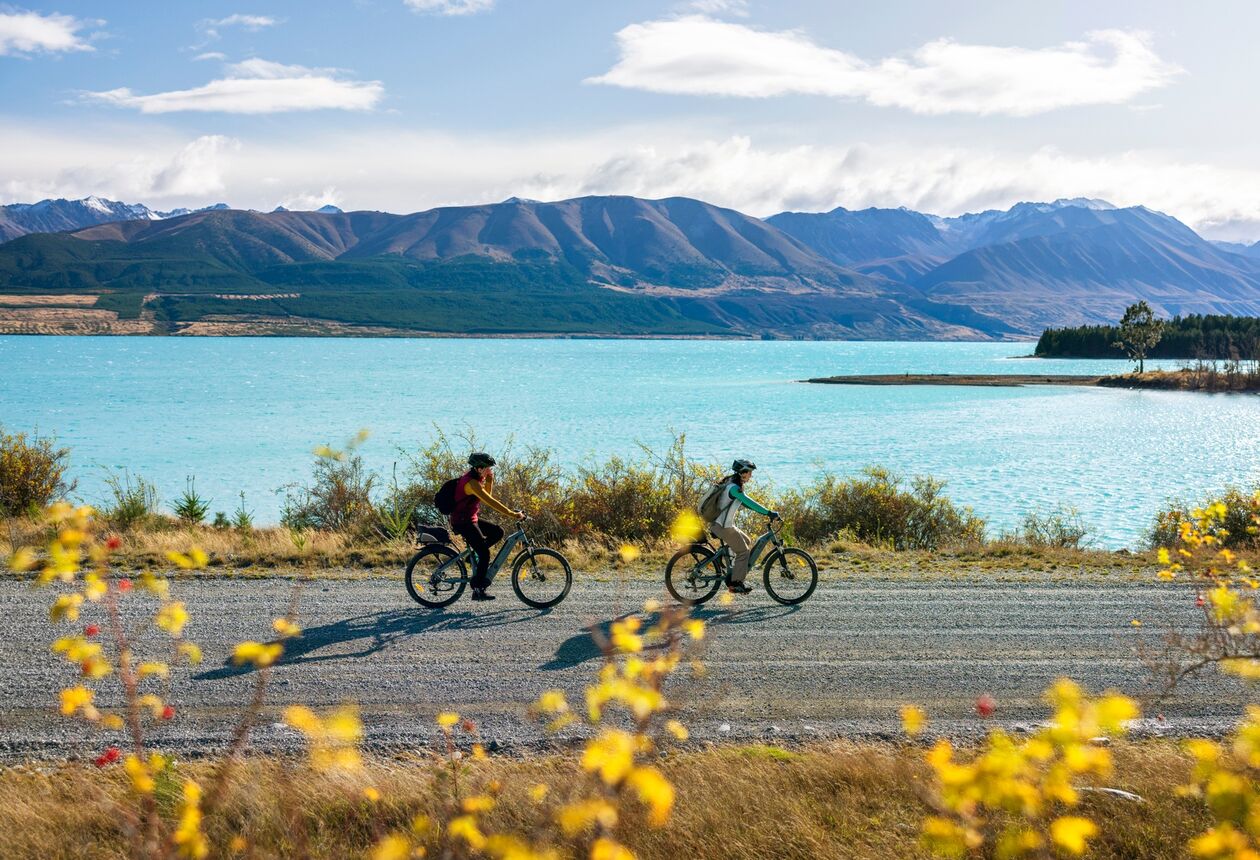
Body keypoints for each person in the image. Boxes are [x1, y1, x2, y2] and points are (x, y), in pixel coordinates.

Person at [449, 452, 525, 601]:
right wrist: (512, 514)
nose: (489, 470)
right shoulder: (471, 483)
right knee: (485, 554)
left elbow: (485, 496)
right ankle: (478, 589)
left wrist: (490, 479)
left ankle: (475, 557)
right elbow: (490, 502)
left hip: (470, 518)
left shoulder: (476, 479)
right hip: (463, 521)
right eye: (487, 468)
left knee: (497, 532)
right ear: (478, 468)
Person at [707, 459, 778, 594]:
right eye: (749, 472)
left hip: (723, 524)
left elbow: (744, 502)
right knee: (744, 552)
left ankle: (732, 570)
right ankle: (735, 583)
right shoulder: (734, 488)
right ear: (742, 473)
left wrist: (762, 511)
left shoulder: (731, 483)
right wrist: (768, 512)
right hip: (723, 527)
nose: (751, 475)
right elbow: (748, 501)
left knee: (746, 541)